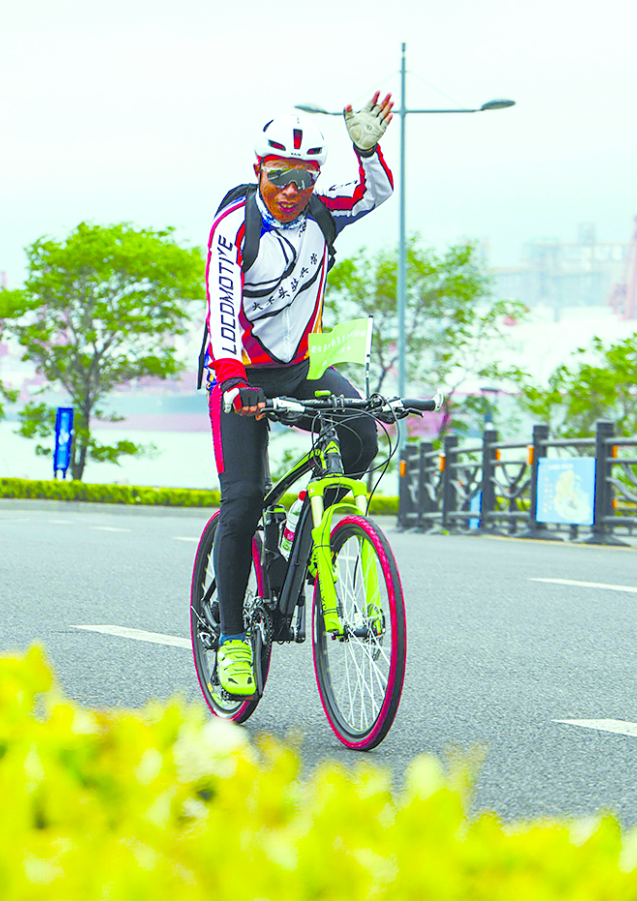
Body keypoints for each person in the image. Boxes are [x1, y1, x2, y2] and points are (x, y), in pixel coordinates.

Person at [201, 95, 395, 696]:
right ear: (258, 169)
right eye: (279, 175)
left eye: (304, 178)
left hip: (300, 366)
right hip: (240, 375)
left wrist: (366, 149)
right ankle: (234, 637)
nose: (291, 188)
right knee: (243, 503)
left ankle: (317, 536)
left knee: (364, 433)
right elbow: (223, 306)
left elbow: (376, 193)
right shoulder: (234, 227)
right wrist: (234, 381)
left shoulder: (321, 214)